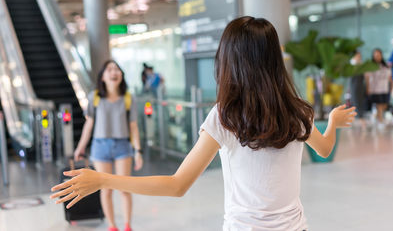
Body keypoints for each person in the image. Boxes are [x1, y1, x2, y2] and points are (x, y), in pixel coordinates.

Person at [51, 17, 356, 231]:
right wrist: (332, 122)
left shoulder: (226, 116)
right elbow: (326, 148)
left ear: (231, 63)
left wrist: (105, 180)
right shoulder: (298, 111)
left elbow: (177, 185)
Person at [73, 60, 143, 231]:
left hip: (122, 146)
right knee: (106, 190)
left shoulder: (128, 98)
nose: (114, 72)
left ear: (121, 75)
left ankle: (127, 226)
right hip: (100, 146)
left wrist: (138, 151)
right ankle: (112, 226)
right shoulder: (95, 97)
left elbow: (133, 126)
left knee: (125, 188)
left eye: (117, 69)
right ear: (103, 76)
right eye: (110, 69)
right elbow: (89, 124)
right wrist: (80, 147)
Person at [365, 48, 392, 129]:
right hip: (375, 89)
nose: (377, 56)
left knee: (384, 105)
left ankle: (374, 116)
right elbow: (367, 78)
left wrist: (391, 86)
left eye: (379, 55)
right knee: (379, 106)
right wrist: (368, 88)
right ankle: (380, 121)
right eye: (375, 55)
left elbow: (389, 77)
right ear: (373, 56)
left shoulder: (385, 66)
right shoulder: (370, 66)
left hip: (385, 88)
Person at [349, 51, 367, 128]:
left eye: (359, 55)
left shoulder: (361, 64)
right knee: (356, 102)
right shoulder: (352, 64)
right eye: (357, 55)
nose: (359, 56)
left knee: (359, 101)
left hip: (361, 85)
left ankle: (352, 120)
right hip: (354, 85)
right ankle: (361, 119)